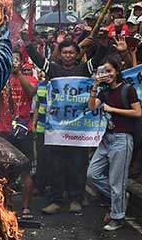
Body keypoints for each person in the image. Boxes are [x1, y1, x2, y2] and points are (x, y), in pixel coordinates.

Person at [26, 38, 96, 214]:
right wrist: (28, 46)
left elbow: (100, 58)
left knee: (77, 164)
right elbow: (39, 61)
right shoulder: (54, 70)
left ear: (77, 55)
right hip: (56, 129)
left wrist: (99, 43)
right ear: (60, 54)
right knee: (56, 165)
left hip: (78, 129)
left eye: (71, 52)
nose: (68, 56)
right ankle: (55, 201)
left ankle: (75, 199)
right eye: (64, 52)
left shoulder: (83, 70)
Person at [85, 54, 142, 232]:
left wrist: (112, 109)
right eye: (103, 71)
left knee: (117, 181)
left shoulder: (127, 90)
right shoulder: (104, 92)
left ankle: (118, 217)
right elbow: (92, 106)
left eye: (109, 71)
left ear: (117, 71)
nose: (106, 74)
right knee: (92, 174)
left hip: (122, 139)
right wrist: (95, 85)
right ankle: (120, 198)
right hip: (107, 139)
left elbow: (137, 113)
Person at [0, 52, 37, 218]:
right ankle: (7, 204)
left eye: (16, 59)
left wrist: (18, 73)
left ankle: (26, 207)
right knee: (5, 170)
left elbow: (32, 92)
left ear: (21, 62)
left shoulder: (29, 78)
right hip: (4, 130)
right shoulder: (1, 79)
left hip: (23, 130)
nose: (13, 62)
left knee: (25, 171)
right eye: (10, 59)